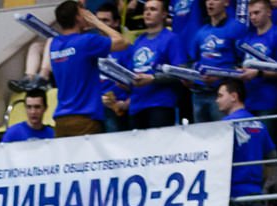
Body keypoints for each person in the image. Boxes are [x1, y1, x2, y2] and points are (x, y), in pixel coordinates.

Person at [49, 1, 132, 137]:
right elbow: (123, 42)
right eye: (84, 12)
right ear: (78, 17)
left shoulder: (54, 44)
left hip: (61, 119)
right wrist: (96, 22)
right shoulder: (86, 41)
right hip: (84, 118)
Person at [218, 77, 277, 206]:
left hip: (233, 190)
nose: (217, 100)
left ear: (234, 96)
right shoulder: (259, 124)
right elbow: (272, 157)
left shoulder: (225, 125)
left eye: (220, 95)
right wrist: (266, 187)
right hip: (254, 191)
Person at [120, 0, 188, 130]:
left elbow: (181, 72)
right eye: (145, 9)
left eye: (153, 9)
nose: (147, 13)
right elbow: (132, 71)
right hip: (136, 105)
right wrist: (124, 81)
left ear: (164, 14)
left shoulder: (171, 39)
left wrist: (153, 78)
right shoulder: (138, 41)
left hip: (160, 104)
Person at [192, 0, 250, 122]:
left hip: (224, 92)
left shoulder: (236, 28)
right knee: (200, 133)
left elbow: (243, 63)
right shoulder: (201, 32)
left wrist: (220, 75)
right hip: (200, 92)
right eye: (208, 0)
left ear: (226, 3)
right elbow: (195, 60)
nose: (210, 3)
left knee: (223, 131)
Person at [236, 0, 277, 117]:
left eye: (256, 13)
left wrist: (259, 73)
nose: (253, 17)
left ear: (269, 12)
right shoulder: (249, 37)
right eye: (250, 14)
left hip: (270, 100)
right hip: (250, 99)